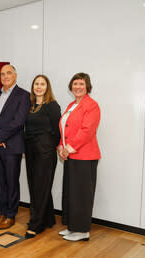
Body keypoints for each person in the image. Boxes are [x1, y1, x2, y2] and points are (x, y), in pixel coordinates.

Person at [0, 65, 30, 230]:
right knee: (0, 182)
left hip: (11, 146)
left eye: (9, 73)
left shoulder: (23, 95)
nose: (5, 76)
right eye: (2, 74)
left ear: (15, 75)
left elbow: (18, 121)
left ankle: (11, 215)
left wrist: (0, 137)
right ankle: (3, 213)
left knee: (11, 182)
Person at [57, 72, 101, 242]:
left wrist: (68, 148)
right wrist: (61, 146)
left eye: (81, 84)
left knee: (81, 194)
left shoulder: (92, 105)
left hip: (84, 156)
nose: (77, 87)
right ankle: (72, 227)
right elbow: (64, 128)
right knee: (71, 193)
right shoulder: (71, 105)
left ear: (87, 86)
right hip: (71, 156)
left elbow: (87, 131)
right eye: (75, 84)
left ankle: (82, 231)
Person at [24, 75, 61, 238]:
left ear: (47, 87)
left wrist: (51, 147)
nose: (39, 87)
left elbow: (57, 131)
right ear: (33, 87)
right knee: (35, 185)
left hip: (45, 151)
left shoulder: (52, 106)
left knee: (40, 186)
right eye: (36, 84)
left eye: (42, 84)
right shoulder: (30, 105)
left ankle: (36, 224)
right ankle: (47, 218)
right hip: (30, 149)